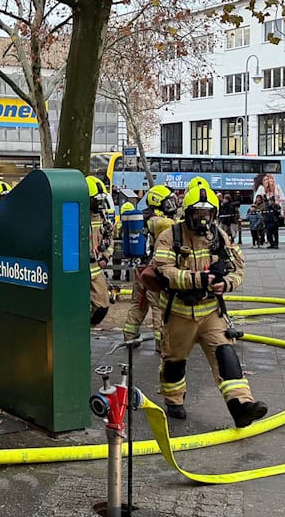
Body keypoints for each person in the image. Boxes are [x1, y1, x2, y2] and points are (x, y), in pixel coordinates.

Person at [153, 185, 266, 428]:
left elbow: (238, 268)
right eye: (198, 213)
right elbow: (165, 272)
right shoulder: (170, 236)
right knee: (175, 361)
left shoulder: (220, 236)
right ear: (187, 213)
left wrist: (226, 284)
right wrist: (198, 279)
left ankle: (241, 406)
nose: (203, 219)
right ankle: (173, 400)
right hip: (179, 313)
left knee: (226, 355)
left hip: (211, 312)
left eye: (207, 214)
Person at [123, 185, 177, 343]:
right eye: (168, 201)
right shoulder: (158, 221)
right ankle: (162, 343)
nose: (172, 204)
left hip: (140, 268)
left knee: (138, 303)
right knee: (159, 306)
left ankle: (129, 335)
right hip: (153, 270)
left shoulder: (141, 218)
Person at [87, 176, 113, 325]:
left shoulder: (102, 217)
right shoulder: (75, 215)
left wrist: (106, 257)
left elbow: (110, 238)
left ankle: (87, 329)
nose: (99, 204)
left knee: (102, 307)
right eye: (96, 200)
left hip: (95, 267)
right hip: (77, 268)